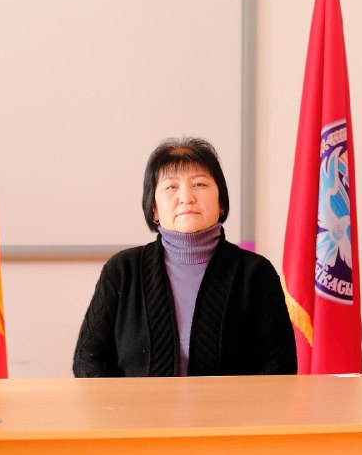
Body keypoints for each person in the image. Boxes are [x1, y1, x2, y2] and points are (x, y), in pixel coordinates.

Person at [73, 137, 297, 377]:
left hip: (231, 404)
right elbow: (88, 361)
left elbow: (279, 367)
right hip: (137, 404)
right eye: (171, 187)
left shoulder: (255, 273)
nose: (186, 197)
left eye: (199, 184)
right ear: (154, 208)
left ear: (221, 202)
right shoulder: (122, 270)